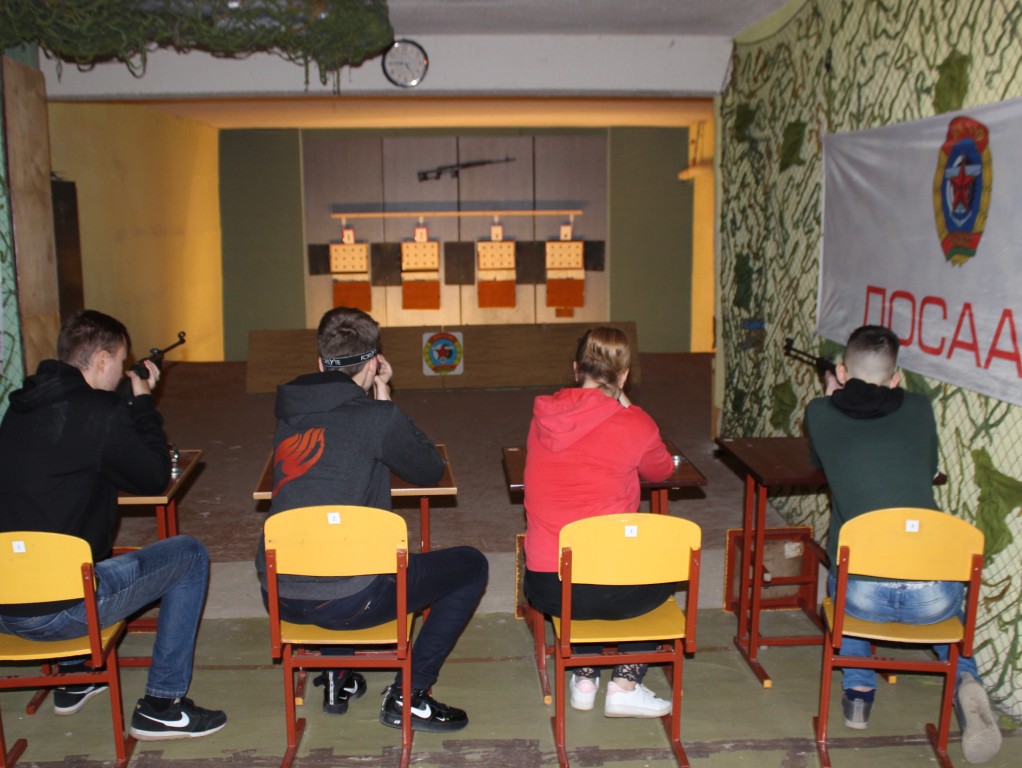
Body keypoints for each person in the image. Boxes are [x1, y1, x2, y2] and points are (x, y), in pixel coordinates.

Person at [255, 306, 488, 733]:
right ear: (374, 362)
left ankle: (337, 676)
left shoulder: (288, 416)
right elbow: (428, 469)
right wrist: (385, 399)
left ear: (320, 363)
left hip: (280, 595)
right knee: (472, 566)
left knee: (328, 540)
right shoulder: (377, 418)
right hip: (354, 601)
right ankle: (409, 694)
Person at [0, 310, 227, 741]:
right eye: (121, 362)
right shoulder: (99, 413)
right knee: (189, 555)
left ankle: (76, 675)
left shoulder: (19, 407)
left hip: (4, 602)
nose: (123, 371)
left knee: (68, 536)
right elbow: (154, 476)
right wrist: (142, 401)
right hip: (59, 611)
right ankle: (162, 705)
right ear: (102, 359)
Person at [805, 324, 1001, 763]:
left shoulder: (819, 412)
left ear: (842, 371)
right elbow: (928, 466)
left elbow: (820, 462)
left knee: (845, 564)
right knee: (940, 595)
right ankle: (966, 681)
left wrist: (830, 397)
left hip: (862, 598)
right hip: (933, 598)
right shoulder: (918, 407)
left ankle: (858, 694)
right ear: (896, 378)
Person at [523, 327, 676, 718]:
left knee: (581, 575)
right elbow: (661, 471)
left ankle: (585, 677)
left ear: (576, 369)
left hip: (547, 584)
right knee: (664, 570)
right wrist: (628, 405)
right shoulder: (636, 423)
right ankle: (625, 684)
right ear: (623, 376)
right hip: (609, 586)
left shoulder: (543, 417)